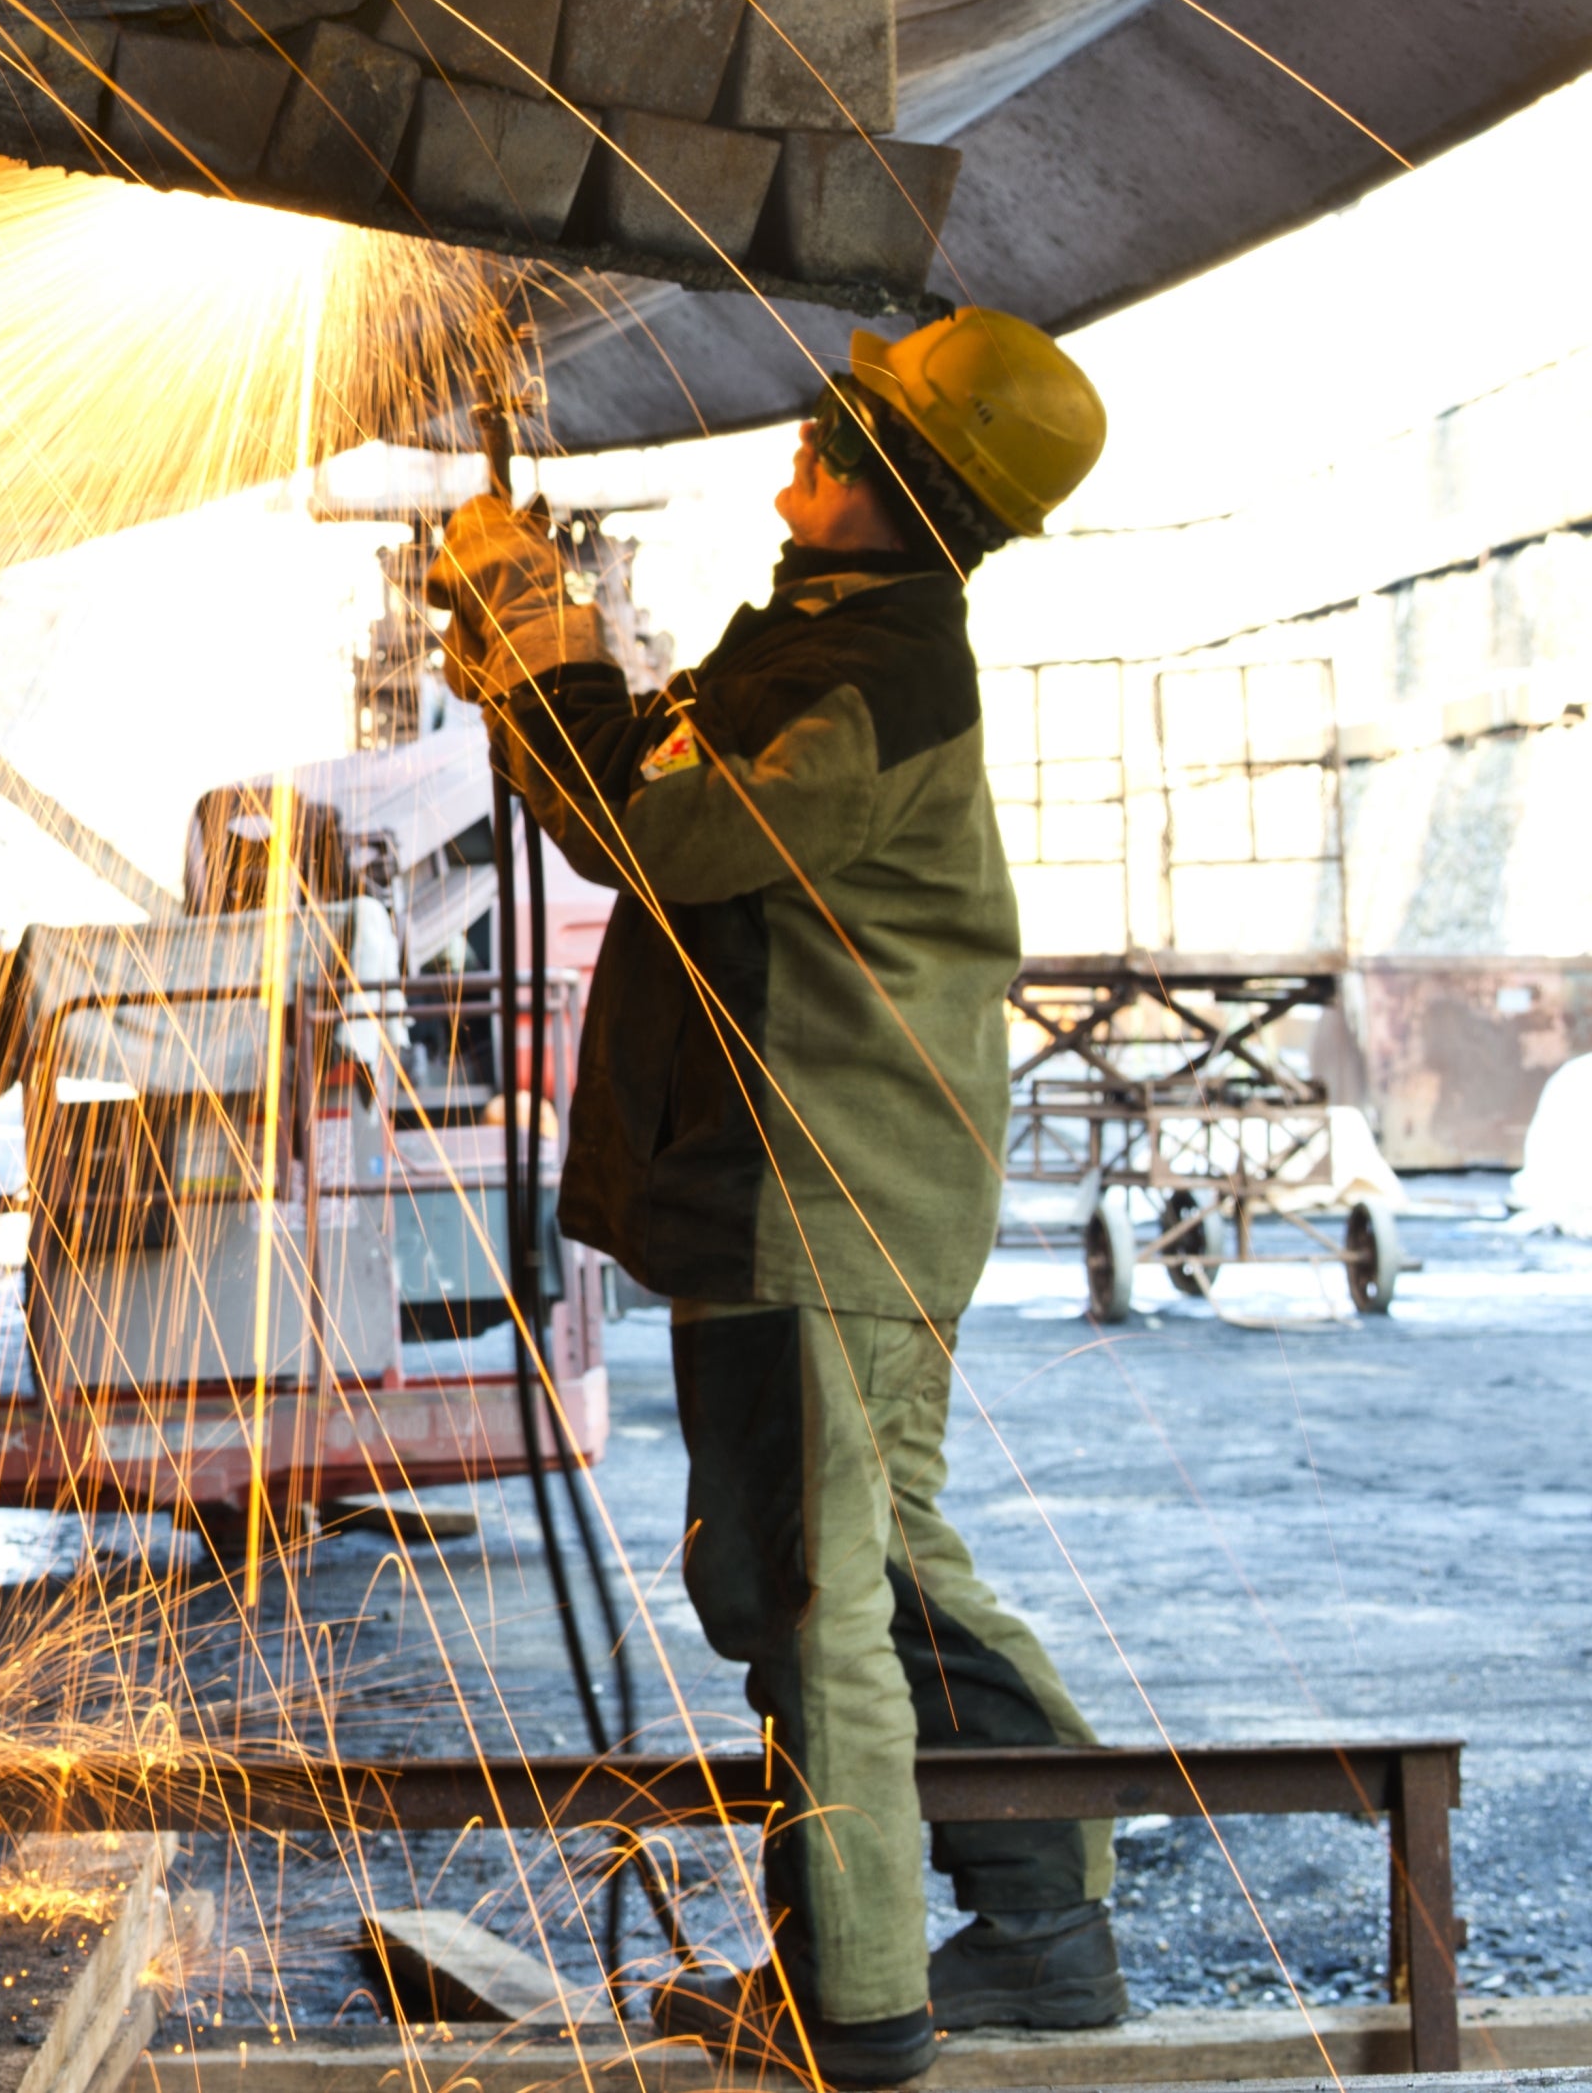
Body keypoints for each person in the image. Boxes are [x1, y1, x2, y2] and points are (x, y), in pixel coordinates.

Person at [435, 307, 1121, 2087]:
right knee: (834, 1573)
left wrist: (537, 654)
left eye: (831, 435)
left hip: (824, 1198)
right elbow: (638, 766)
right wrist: (539, 672)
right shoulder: (823, 643)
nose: (792, 455)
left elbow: (658, 830)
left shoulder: (873, 679)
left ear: (900, 475)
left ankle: (863, 2008)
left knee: (821, 1603)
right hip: (786, 1198)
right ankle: (1045, 1917)